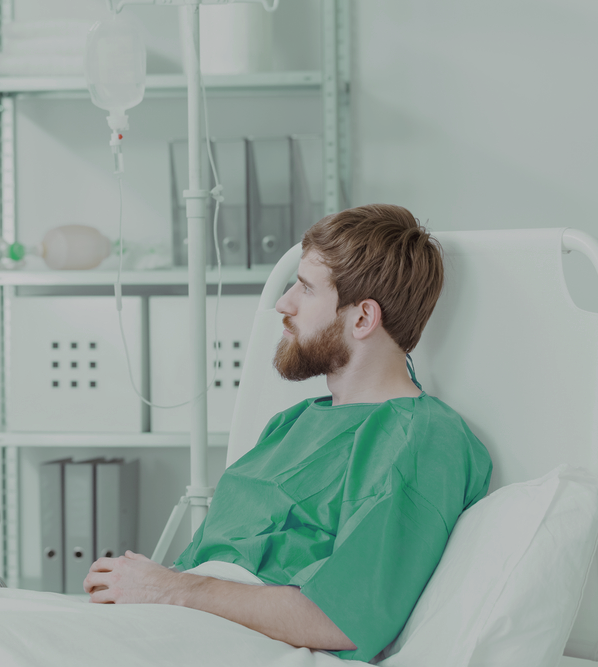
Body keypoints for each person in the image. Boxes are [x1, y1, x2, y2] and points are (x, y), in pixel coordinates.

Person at [84, 204, 493, 662]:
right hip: (183, 618)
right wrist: (141, 584)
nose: (284, 303)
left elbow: (343, 620)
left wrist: (171, 590)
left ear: (362, 318)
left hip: (246, 638)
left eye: (306, 288)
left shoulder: (422, 437)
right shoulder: (292, 422)